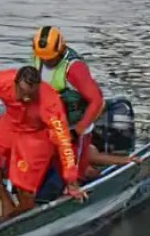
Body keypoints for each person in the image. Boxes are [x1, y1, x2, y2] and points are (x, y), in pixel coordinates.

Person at [0, 66, 86, 217]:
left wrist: (71, 180)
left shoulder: (49, 103)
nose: (26, 99)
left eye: (31, 95)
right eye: (22, 93)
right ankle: (4, 199)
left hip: (36, 133)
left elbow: (63, 141)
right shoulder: (2, 80)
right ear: (15, 83)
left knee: (24, 188)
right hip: (12, 121)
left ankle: (17, 216)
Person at [31, 26, 105, 175]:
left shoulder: (74, 68)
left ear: (60, 49)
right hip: (51, 124)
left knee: (74, 172)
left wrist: (78, 131)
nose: (46, 61)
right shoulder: (39, 57)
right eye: (42, 58)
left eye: (50, 58)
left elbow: (96, 101)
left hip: (74, 125)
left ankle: (89, 172)